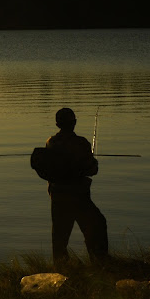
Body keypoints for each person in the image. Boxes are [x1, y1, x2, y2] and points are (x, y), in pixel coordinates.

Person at [45, 108, 108, 264]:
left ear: (57, 124)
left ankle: (60, 267)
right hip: (79, 196)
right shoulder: (81, 143)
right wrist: (94, 163)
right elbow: (92, 170)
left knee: (59, 237)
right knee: (97, 225)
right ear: (73, 123)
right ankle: (99, 261)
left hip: (57, 195)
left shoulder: (50, 142)